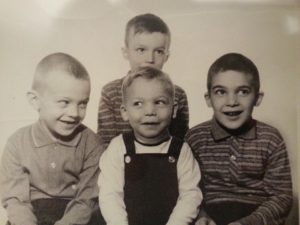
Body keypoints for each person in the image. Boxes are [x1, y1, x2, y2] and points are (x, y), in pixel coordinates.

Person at [185, 53, 293, 225]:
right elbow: (186, 190)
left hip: (256, 217)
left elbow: (281, 197)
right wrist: (201, 215)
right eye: (221, 92)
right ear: (208, 99)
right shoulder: (195, 138)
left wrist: (248, 223)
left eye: (243, 92)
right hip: (209, 217)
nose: (232, 101)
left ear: (257, 98)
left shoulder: (270, 138)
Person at [0, 52, 104, 225]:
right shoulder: (16, 144)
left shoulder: (92, 144)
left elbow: (87, 200)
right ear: (35, 100)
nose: (74, 113)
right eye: (64, 102)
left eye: (82, 103)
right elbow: (16, 201)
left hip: (77, 217)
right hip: (30, 215)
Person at [98, 66, 202, 225]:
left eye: (159, 102)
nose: (150, 111)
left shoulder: (181, 150)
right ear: (125, 112)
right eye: (138, 103)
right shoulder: (118, 148)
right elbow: (110, 194)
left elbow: (190, 195)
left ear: (173, 110)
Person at [97, 13, 189, 149]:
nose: (150, 59)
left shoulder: (178, 94)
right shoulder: (111, 92)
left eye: (158, 51)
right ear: (126, 52)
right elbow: (105, 144)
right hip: (121, 164)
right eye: (141, 50)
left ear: (166, 56)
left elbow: (180, 145)